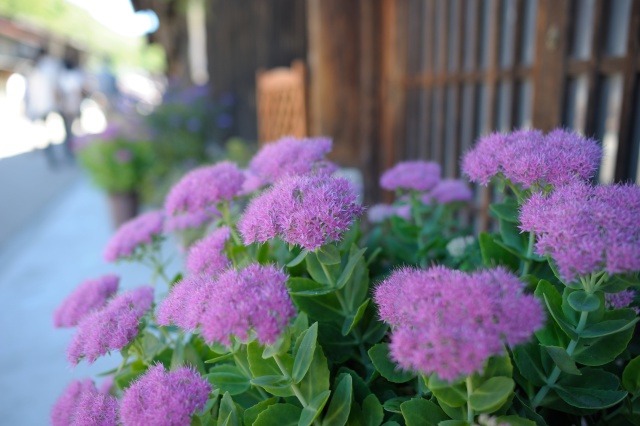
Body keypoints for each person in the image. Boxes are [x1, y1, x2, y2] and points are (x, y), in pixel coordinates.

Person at [24, 47, 62, 167]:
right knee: (46, 130)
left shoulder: (36, 68)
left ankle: (46, 152)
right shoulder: (47, 67)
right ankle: (48, 154)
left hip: (38, 105)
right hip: (45, 105)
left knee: (43, 130)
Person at [58, 57, 85, 160]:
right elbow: (79, 91)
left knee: (68, 129)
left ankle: (70, 150)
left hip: (65, 105)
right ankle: (77, 149)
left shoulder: (62, 76)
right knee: (77, 128)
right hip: (74, 104)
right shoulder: (76, 76)